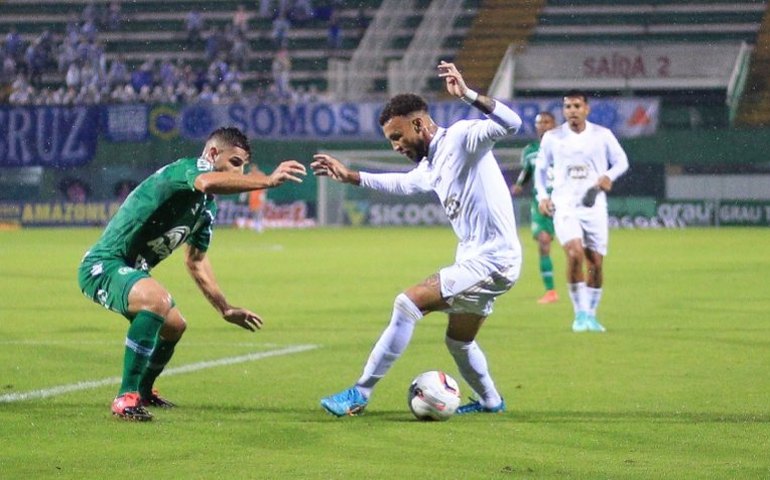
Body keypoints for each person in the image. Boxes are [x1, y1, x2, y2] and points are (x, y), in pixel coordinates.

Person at [311, 61, 523, 417]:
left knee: (407, 303)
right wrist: (351, 177)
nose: (395, 146)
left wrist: (468, 95)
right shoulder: (431, 165)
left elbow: (513, 124)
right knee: (459, 341)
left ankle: (360, 393)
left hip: (494, 258)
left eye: (397, 136)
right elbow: (403, 182)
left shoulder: (462, 137)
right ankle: (491, 401)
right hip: (479, 260)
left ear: (419, 124)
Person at [77, 127, 306, 421]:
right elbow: (207, 180)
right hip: (103, 264)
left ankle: (145, 391)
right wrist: (266, 181)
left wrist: (225, 308)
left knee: (175, 326)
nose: (241, 171)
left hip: (132, 270)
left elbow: (196, 261)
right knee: (157, 302)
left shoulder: (206, 209)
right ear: (212, 154)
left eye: (244, 165)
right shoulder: (190, 169)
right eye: (236, 162)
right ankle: (126, 396)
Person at [534, 90, 629, 333]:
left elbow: (622, 161)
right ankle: (579, 314)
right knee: (574, 254)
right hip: (564, 205)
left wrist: (608, 176)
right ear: (564, 111)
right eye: (568, 107)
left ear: (587, 109)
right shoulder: (553, 137)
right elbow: (541, 169)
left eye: (577, 106)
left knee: (595, 263)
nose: (572, 111)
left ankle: (592, 315)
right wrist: (542, 196)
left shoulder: (602, 135)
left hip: (594, 205)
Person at [511, 111, 559, 304]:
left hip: (564, 201)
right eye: (539, 122)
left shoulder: (565, 146)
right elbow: (527, 171)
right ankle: (551, 291)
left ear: (554, 124)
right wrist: (520, 185)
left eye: (547, 122)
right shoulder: (530, 150)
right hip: (541, 201)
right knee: (543, 241)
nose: (543, 125)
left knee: (576, 246)